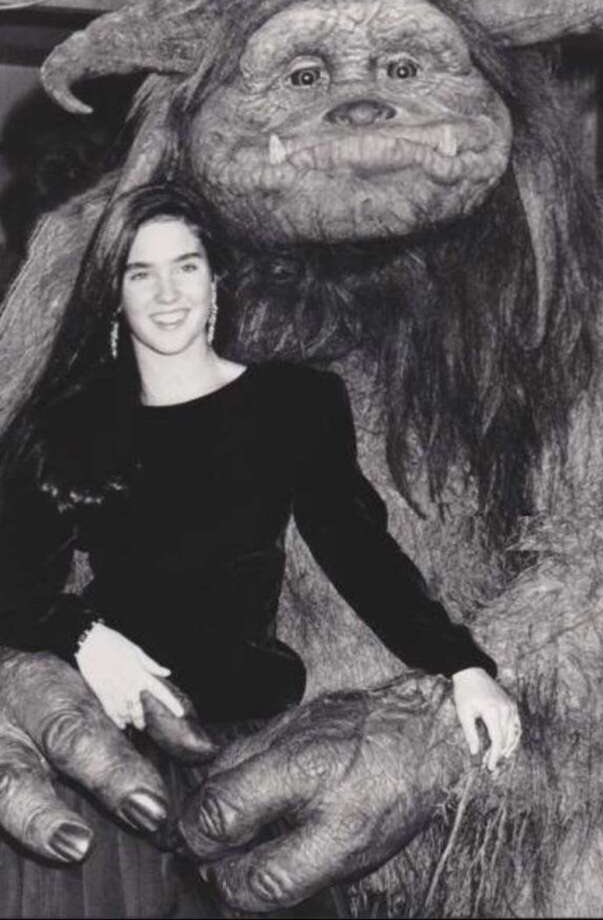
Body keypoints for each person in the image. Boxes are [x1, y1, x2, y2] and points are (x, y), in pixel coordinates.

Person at [0, 181, 520, 914]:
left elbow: (357, 552)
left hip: (248, 739)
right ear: (113, 295)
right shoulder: (68, 424)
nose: (167, 292)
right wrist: (81, 636)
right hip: (113, 740)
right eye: (138, 272)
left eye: (185, 265)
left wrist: (462, 663)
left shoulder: (295, 403)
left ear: (216, 281)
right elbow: (10, 584)